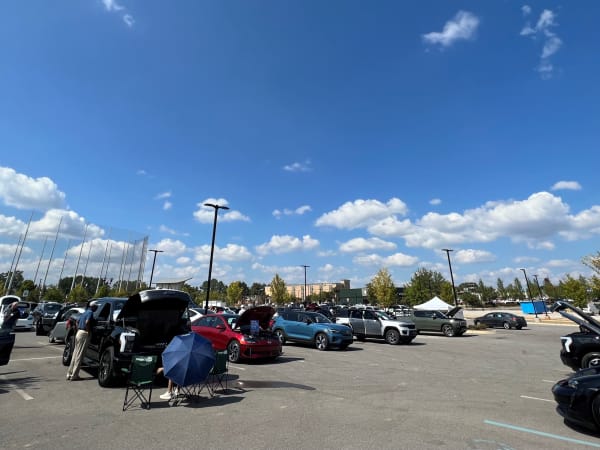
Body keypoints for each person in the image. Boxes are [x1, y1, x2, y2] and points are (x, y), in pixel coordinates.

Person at [66, 301, 95, 381]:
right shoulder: (90, 313)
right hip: (84, 333)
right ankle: (74, 375)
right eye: (96, 306)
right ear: (93, 307)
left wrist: (78, 329)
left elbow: (77, 321)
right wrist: (88, 331)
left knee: (75, 354)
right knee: (80, 355)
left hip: (79, 333)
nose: (96, 308)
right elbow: (87, 322)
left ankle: (69, 373)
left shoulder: (84, 312)